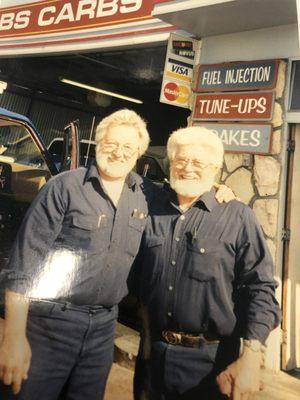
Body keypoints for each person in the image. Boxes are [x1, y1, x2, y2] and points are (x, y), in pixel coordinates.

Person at [0, 110, 234, 400]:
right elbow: (23, 266)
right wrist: (13, 338)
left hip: (102, 330)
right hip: (49, 324)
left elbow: (187, 188)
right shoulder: (63, 188)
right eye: (112, 144)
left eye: (128, 148)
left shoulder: (147, 194)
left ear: (138, 154)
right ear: (98, 144)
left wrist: (216, 188)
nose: (119, 153)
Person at [133, 126, 281, 400]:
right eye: (181, 160)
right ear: (170, 164)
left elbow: (260, 290)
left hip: (210, 365)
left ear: (214, 168)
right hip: (152, 358)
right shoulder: (151, 205)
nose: (187, 168)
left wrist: (251, 357)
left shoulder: (237, 216)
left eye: (198, 162)